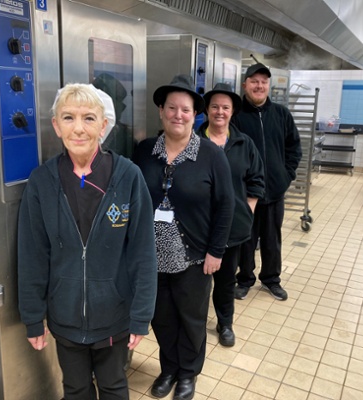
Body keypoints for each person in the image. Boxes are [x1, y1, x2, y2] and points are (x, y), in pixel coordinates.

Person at [17, 83, 157, 400]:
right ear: (56, 125)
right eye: (68, 117)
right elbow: (32, 255)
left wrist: (141, 315)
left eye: (89, 118)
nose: (78, 128)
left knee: (114, 387)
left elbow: (143, 254)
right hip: (64, 317)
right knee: (75, 389)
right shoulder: (42, 181)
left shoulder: (128, 176)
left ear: (104, 125)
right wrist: (32, 318)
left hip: (114, 316)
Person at [132, 75, 234, 400]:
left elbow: (225, 206)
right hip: (152, 256)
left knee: (191, 318)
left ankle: (189, 373)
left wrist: (216, 251)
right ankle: (169, 368)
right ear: (161, 111)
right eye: (172, 108)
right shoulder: (145, 151)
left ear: (195, 115)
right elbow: (133, 199)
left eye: (185, 110)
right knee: (161, 317)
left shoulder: (211, 155)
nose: (178, 114)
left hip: (195, 256)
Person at [197, 83, 265, 347]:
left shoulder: (243, 143)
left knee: (225, 282)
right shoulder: (194, 142)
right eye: (214, 106)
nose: (219, 112)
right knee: (197, 285)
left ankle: (225, 324)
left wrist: (245, 212)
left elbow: (256, 180)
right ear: (207, 110)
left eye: (225, 107)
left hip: (233, 230)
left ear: (232, 111)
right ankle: (195, 325)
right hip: (199, 228)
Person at [233, 63, 302, 302]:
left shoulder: (281, 114)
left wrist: (286, 175)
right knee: (246, 239)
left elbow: (294, 147)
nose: (259, 86)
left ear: (269, 86)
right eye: (254, 81)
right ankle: (244, 279)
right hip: (245, 194)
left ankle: (271, 279)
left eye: (263, 81)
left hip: (274, 191)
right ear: (245, 85)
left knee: (272, 238)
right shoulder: (236, 115)